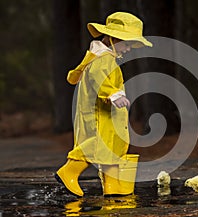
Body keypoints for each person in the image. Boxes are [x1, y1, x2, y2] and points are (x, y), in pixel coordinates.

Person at [55, 12, 152, 197]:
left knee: (112, 147)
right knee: (99, 144)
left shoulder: (105, 57)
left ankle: (113, 187)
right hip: (101, 113)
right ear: (114, 38)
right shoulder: (102, 58)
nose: (130, 48)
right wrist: (113, 94)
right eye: (128, 43)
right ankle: (69, 172)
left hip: (108, 114)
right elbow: (99, 78)